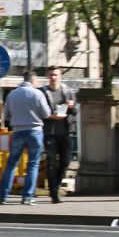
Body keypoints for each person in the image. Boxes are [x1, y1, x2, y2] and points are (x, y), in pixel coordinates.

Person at [0, 69, 53, 205]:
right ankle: (27, 196)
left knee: (11, 164)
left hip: (18, 131)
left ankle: (3, 196)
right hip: (35, 131)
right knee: (33, 164)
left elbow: (7, 116)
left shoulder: (12, 94)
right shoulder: (38, 93)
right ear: (34, 80)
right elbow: (46, 113)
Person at [40, 66, 78, 204]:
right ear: (47, 76)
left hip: (66, 131)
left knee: (66, 162)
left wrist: (73, 106)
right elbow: (40, 112)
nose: (53, 77)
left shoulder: (68, 91)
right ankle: (54, 193)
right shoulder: (43, 92)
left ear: (60, 76)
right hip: (50, 132)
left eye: (55, 75)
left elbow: (76, 110)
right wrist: (51, 116)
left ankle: (55, 185)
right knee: (51, 163)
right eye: (51, 75)